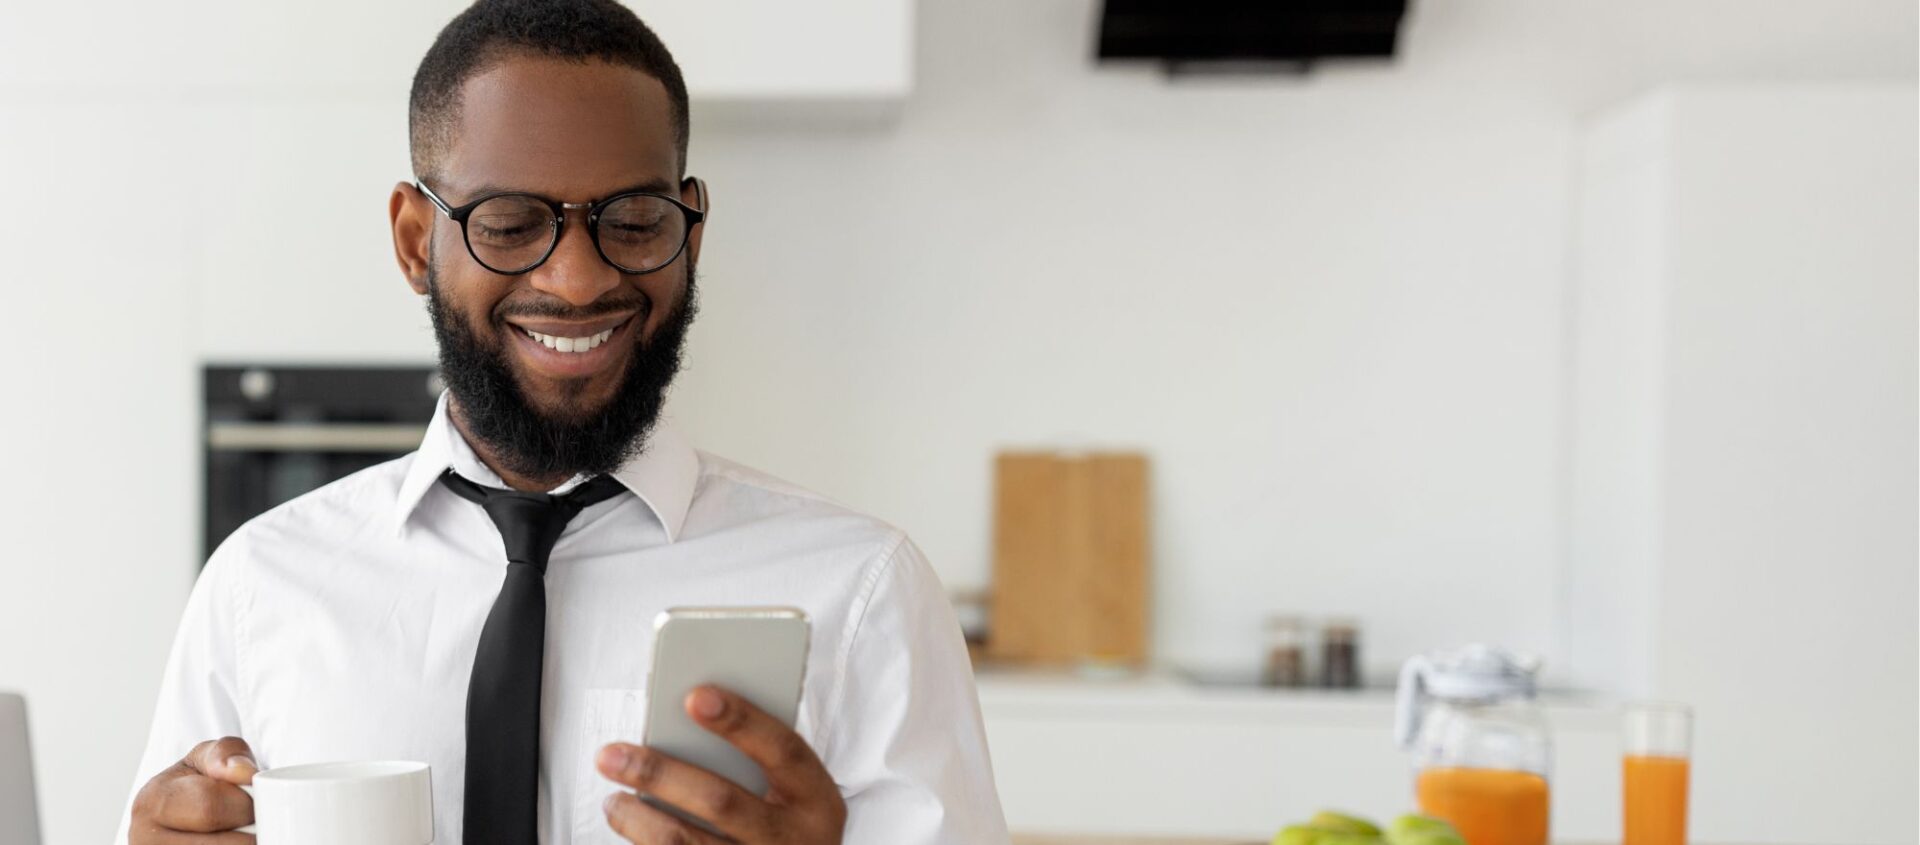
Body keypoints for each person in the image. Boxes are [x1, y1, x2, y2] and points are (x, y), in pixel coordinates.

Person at [115, 1, 1007, 842]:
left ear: (691, 234)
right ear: (415, 241)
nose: (577, 280)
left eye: (633, 219)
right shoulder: (261, 586)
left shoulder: (863, 593)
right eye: (508, 223)